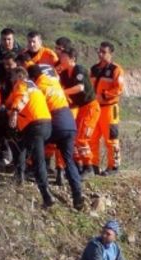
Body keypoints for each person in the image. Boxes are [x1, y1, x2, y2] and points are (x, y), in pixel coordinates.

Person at [27, 64, 84, 210]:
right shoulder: (54, 81)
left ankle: (44, 188)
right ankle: (77, 195)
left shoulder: (37, 86)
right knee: (68, 160)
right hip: (70, 122)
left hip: (56, 121)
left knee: (37, 145)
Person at [5, 67, 55, 206]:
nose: (10, 80)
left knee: (38, 161)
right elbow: (10, 100)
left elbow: (21, 97)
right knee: (20, 145)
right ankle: (19, 176)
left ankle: (46, 194)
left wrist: (14, 111)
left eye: (12, 77)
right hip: (46, 124)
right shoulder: (35, 87)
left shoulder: (21, 85)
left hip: (35, 125)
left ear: (18, 77)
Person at [59, 47, 100, 178]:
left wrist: (63, 92)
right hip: (80, 108)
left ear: (72, 59)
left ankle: (89, 167)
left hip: (90, 107)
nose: (60, 59)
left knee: (82, 138)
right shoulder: (65, 73)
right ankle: (79, 165)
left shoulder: (79, 70)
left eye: (63, 56)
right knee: (75, 137)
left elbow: (80, 87)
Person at [89, 41, 124, 176]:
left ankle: (113, 167)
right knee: (92, 138)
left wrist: (104, 95)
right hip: (95, 108)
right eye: (99, 51)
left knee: (111, 139)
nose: (100, 54)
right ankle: (93, 165)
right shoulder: (94, 69)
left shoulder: (116, 70)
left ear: (111, 53)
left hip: (109, 109)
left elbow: (119, 89)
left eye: (104, 52)